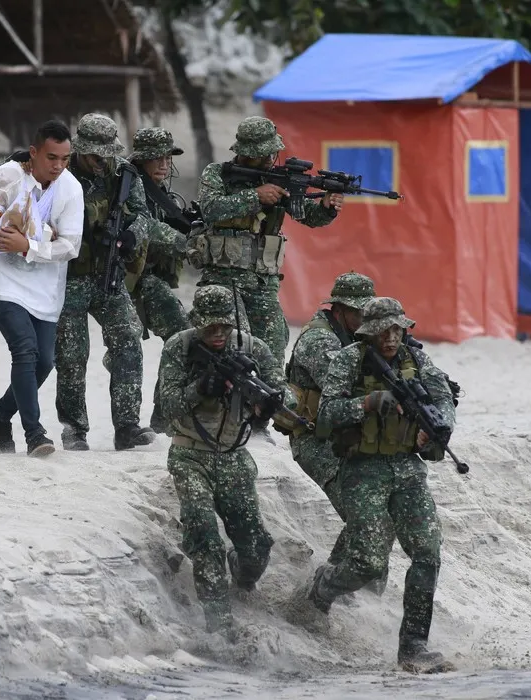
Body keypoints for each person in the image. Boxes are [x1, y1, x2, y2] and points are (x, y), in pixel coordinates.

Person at [306, 297, 456, 673]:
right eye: (383, 331)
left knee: (427, 553)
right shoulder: (349, 360)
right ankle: (323, 587)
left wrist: (435, 426)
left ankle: (413, 646)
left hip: (407, 468)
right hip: (363, 470)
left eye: (397, 329)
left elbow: (442, 398)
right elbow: (326, 415)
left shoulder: (416, 359)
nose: (391, 338)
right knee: (368, 562)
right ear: (368, 332)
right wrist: (370, 402)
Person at [157, 285, 297, 638]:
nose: (218, 334)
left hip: (235, 457)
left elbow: (285, 394)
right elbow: (168, 405)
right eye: (210, 327)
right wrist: (203, 386)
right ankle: (219, 625)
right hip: (190, 455)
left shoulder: (253, 348)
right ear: (198, 323)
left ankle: (242, 574)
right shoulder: (180, 348)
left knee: (255, 548)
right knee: (206, 539)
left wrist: (269, 403)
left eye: (224, 327)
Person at [193, 116, 343, 439]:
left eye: (268, 154)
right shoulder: (217, 175)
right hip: (223, 280)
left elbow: (307, 217)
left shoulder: (278, 180)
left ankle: (261, 419)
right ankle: (230, 417)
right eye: (261, 154)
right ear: (245, 152)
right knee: (237, 345)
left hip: (262, 283)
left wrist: (328, 208)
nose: (266, 159)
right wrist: (255, 196)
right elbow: (210, 208)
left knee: (273, 347)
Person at [0, 120, 84, 457]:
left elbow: (71, 246)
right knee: (25, 350)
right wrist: (38, 234)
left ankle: (0, 414)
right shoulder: (2, 178)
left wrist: (27, 243)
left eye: (65, 159)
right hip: (1, 280)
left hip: (45, 286)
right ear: (33, 153)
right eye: (51, 157)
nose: (58, 166)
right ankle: (35, 434)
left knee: (45, 362)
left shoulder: (70, 188)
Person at [279, 271, 387, 592]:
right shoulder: (318, 340)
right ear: (339, 309)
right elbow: (345, 388)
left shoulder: (357, 337)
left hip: (345, 432)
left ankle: (360, 584)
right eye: (358, 313)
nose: (364, 319)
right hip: (315, 437)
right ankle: (330, 586)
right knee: (363, 511)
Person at [55, 113, 154, 452]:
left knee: (128, 339)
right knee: (71, 354)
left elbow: (143, 215)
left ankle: (127, 427)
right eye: (95, 155)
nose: (101, 162)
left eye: (105, 155)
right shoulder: (59, 173)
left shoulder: (124, 175)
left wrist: (130, 235)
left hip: (108, 277)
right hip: (67, 277)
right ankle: (74, 429)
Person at [110, 126, 194, 433]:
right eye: (155, 158)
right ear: (141, 160)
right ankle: (149, 422)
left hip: (151, 279)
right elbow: (150, 230)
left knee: (181, 339)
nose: (163, 164)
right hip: (130, 280)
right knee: (177, 338)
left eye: (167, 158)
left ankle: (163, 418)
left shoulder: (165, 195)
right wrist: (190, 243)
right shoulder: (130, 187)